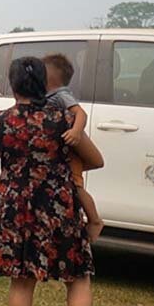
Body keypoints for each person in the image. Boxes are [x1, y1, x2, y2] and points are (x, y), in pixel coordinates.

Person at [0, 56, 105, 306]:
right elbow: (95, 159)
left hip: (15, 211)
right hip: (58, 209)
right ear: (44, 83)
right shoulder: (63, 120)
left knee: (21, 280)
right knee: (77, 278)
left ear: (13, 85)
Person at [42, 53, 104, 244]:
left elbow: (80, 113)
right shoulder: (47, 96)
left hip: (71, 150)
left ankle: (94, 220)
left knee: (76, 186)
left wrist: (76, 132)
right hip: (62, 151)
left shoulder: (61, 94)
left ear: (50, 78)